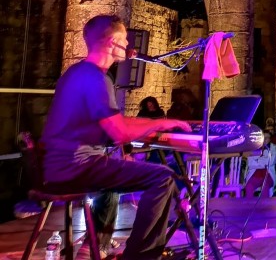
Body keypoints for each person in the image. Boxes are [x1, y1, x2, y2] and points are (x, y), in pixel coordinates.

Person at [39, 15, 191, 260]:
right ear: (112, 42)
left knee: (116, 171)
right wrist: (162, 122)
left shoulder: (78, 72)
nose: (129, 46)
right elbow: (119, 132)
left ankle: (97, 246)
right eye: (125, 40)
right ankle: (140, 256)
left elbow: (114, 123)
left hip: (61, 166)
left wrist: (156, 124)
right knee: (163, 177)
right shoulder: (96, 78)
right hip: (75, 168)